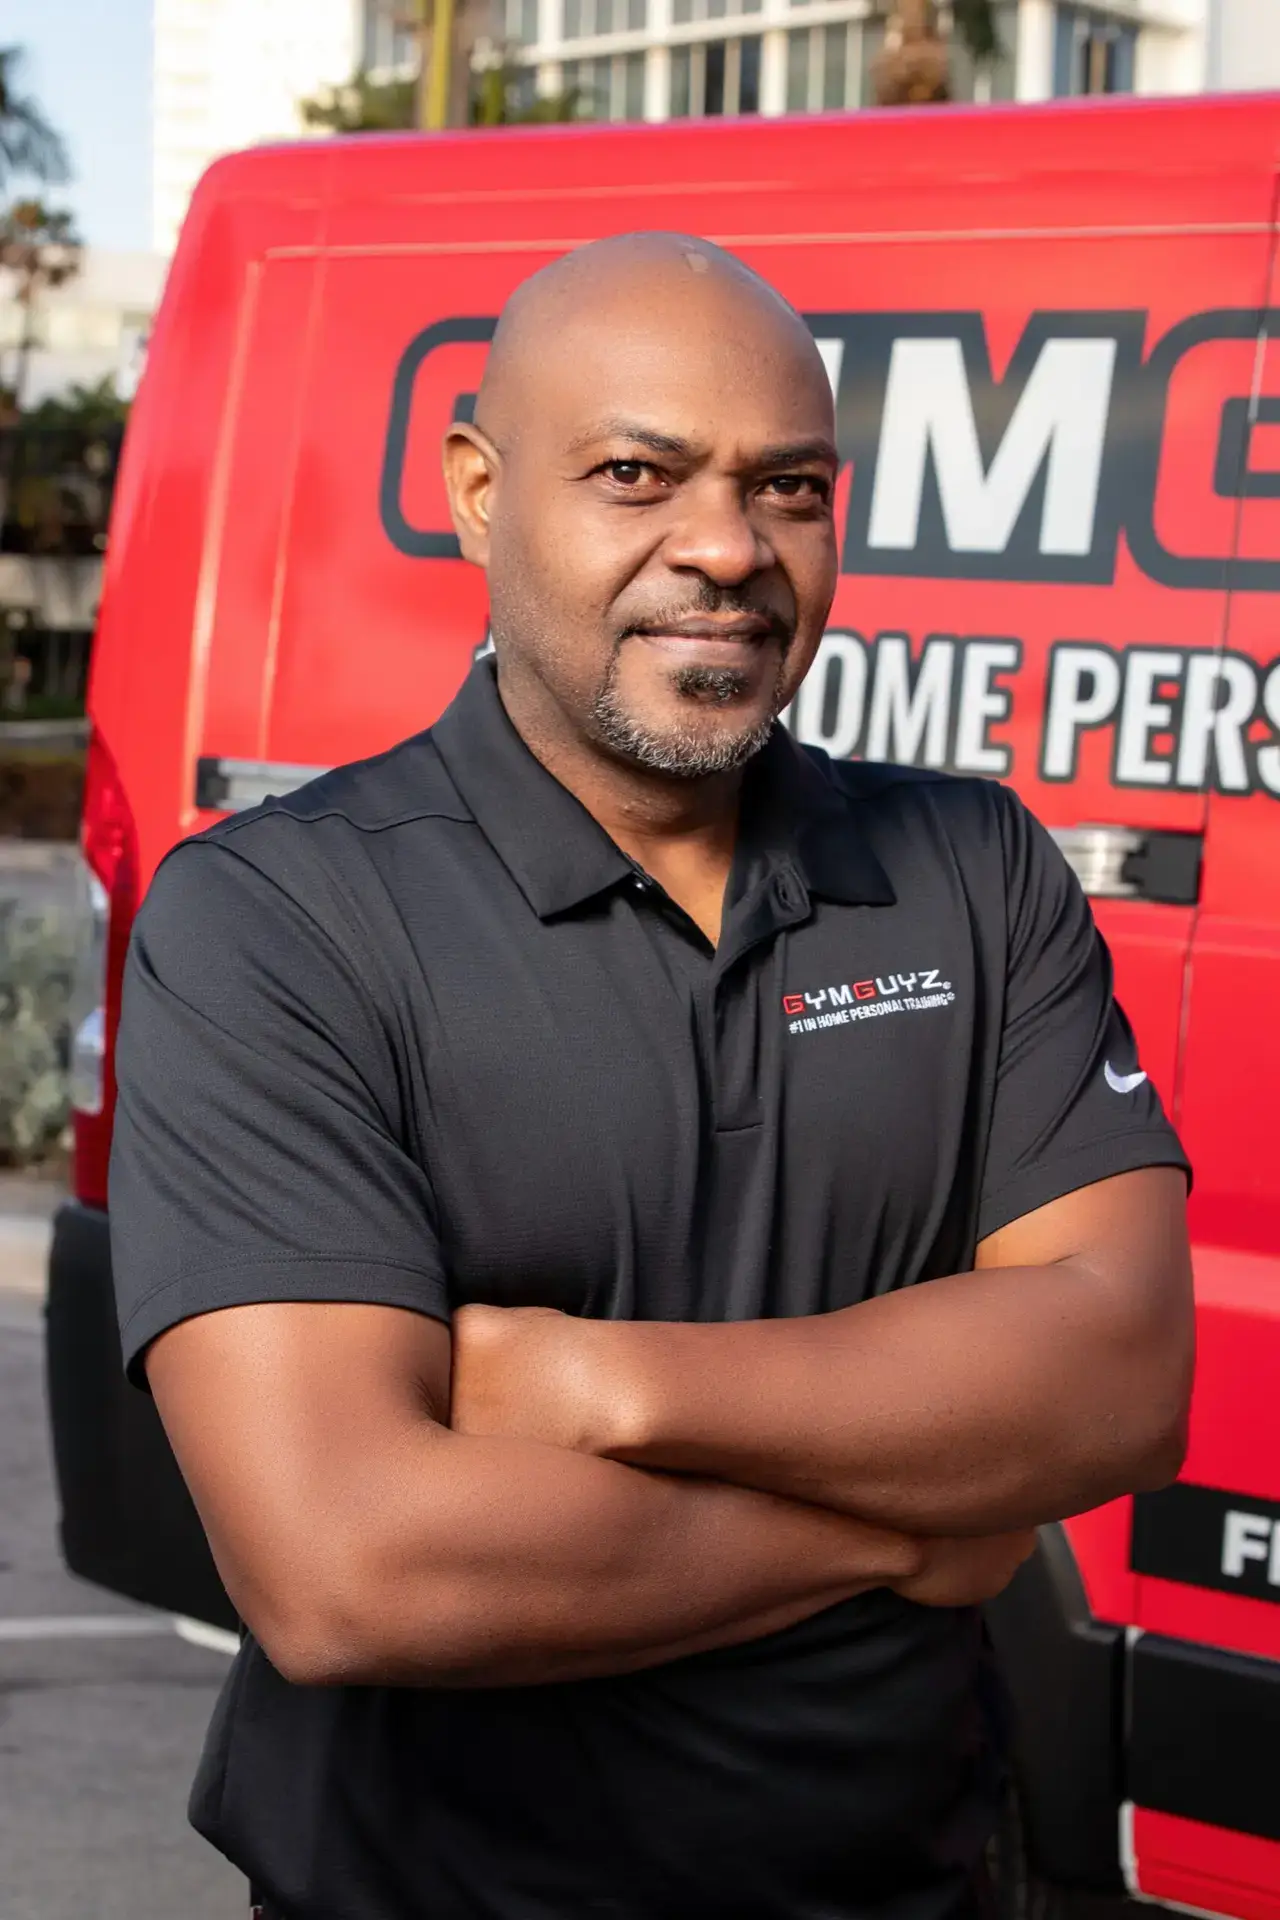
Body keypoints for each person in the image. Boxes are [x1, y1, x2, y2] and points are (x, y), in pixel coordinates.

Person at [110, 233, 1194, 1920]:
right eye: (637, 474)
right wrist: (895, 1532)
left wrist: (606, 1384)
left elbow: (1121, 1382)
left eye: (788, 488)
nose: (727, 547)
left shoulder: (973, 870)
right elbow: (349, 1566)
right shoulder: (279, 918)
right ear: (479, 493)